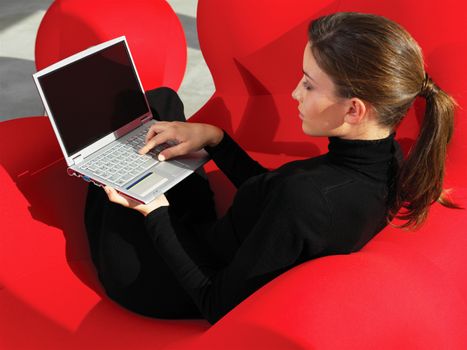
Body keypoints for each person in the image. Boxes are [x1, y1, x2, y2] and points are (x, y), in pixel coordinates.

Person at [84, 12, 457, 325]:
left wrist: (155, 211)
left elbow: (214, 302)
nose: (295, 92)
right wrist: (216, 139)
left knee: (108, 134)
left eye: (309, 86)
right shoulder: (387, 161)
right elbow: (274, 201)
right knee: (159, 103)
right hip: (208, 238)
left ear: (354, 109)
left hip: (159, 280)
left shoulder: (309, 197)